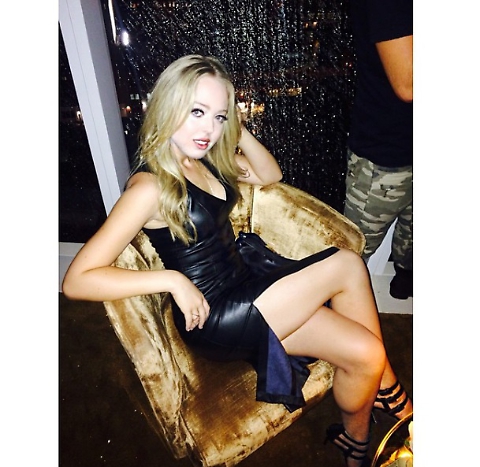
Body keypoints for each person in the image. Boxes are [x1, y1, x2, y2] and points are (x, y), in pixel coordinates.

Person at [62, 55, 412, 467]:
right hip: (216, 318)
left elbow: (269, 174)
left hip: (249, 288)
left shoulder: (205, 158)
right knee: (347, 264)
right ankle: (393, 395)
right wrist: (172, 280)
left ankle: (356, 445)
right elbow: (77, 280)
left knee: (367, 353)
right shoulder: (149, 186)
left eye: (218, 117)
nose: (208, 129)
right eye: (197, 112)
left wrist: (237, 130)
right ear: (168, 105)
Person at [344, 0, 413, 300]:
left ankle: (405, 281)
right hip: (387, 151)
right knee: (351, 255)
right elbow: (408, 85)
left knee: (413, 243)